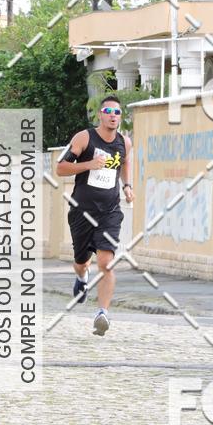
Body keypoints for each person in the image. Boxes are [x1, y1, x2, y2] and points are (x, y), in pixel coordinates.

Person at [56, 95, 134, 336]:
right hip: (81, 210)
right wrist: (88, 164)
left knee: (106, 262)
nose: (113, 115)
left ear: (120, 117)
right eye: (108, 111)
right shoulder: (84, 138)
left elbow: (125, 163)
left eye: (117, 112)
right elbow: (60, 168)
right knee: (81, 261)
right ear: (100, 114)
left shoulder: (124, 142)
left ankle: (102, 314)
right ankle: (82, 277)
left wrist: (127, 186)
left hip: (110, 211)